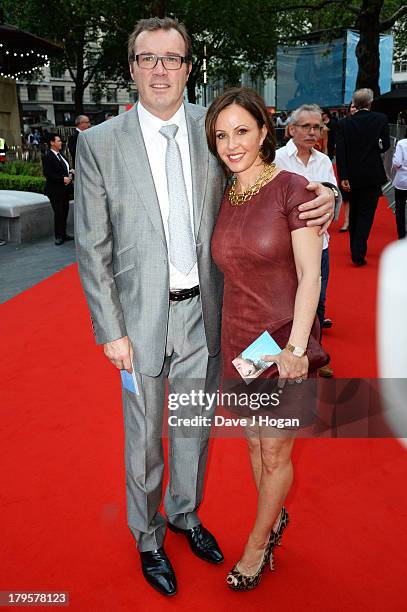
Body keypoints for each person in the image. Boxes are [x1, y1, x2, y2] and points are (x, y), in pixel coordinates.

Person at [74, 17, 336, 597]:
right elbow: (91, 245)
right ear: (133, 67)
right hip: (138, 321)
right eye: (148, 58)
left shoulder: (212, 127)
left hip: (209, 315)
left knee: (191, 423)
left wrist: (329, 193)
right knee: (143, 435)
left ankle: (184, 515)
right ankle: (147, 537)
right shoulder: (97, 144)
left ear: (189, 67)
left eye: (172, 58)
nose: (160, 69)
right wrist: (109, 330)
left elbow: (273, 179)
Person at [207, 87, 326, 592]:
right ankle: (271, 519)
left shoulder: (293, 189)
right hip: (240, 337)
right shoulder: (224, 192)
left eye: (241, 131)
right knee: (254, 443)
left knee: (276, 452)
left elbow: (310, 275)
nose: (231, 144)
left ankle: (257, 544)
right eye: (220, 135)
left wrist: (296, 348)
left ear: (262, 132)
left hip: (281, 340)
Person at [275, 104, 338, 378]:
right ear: (291, 129)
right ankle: (281, 356)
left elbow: (333, 197)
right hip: (287, 249)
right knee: (285, 303)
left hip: (320, 244)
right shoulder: (276, 159)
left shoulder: (323, 161)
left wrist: (331, 197)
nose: (313, 132)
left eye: (317, 127)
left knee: (318, 301)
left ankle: (314, 354)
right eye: (306, 127)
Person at [336, 88, 390, 266]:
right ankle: (358, 251)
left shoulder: (344, 123)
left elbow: (340, 152)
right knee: (366, 215)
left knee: (354, 214)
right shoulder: (380, 119)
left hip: (350, 175)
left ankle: (355, 248)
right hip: (372, 175)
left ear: (355, 103)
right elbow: (385, 146)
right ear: (370, 103)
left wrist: (343, 175)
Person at [42, 133, 74, 245]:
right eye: (59, 141)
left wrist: (70, 171)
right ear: (52, 143)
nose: (61, 143)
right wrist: (62, 178)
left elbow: (65, 168)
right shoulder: (47, 156)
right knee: (58, 213)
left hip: (64, 190)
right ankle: (58, 236)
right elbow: (48, 174)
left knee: (65, 212)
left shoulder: (61, 155)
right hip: (54, 191)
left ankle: (64, 234)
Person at [391, 128, 407, 239]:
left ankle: (401, 234)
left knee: (400, 208)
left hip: (402, 180)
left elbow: (396, 163)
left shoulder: (401, 143)